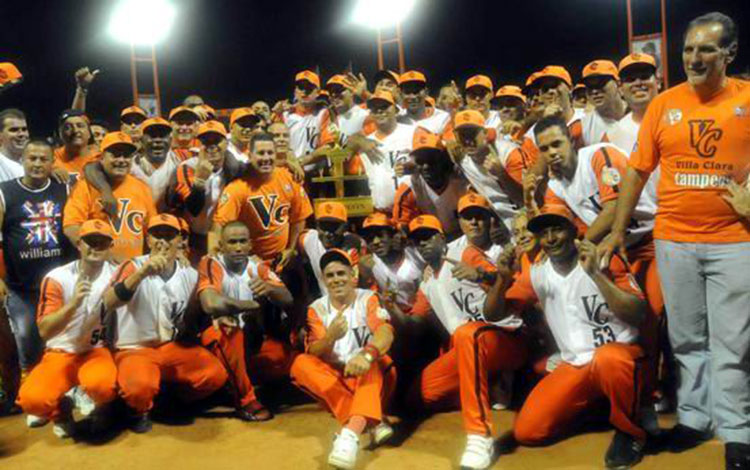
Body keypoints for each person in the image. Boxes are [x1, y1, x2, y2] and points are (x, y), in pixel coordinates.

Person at [599, 13, 750, 469]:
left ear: (729, 53)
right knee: (685, 338)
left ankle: (737, 432)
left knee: (732, 340)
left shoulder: (747, 99)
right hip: (674, 239)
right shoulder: (666, 105)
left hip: (734, 241)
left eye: (706, 49)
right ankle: (694, 418)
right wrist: (619, 228)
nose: (694, 58)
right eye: (688, 49)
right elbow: (637, 171)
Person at [484, 205, 647, 470]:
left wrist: (596, 274)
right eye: (543, 233)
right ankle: (598, 409)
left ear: (574, 231)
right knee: (528, 431)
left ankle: (631, 432)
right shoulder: (537, 274)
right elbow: (492, 313)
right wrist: (502, 281)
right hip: (575, 365)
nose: (550, 238)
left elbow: (638, 313)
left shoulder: (604, 259)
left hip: (620, 358)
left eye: (557, 229)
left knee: (610, 358)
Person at [386, 215, 524, 470]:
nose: (424, 243)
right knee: (420, 397)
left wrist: (479, 272)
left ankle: (479, 436)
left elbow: (509, 282)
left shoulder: (465, 253)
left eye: (428, 236)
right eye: (418, 241)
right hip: (468, 347)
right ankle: (489, 381)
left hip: (505, 337)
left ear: (441, 237)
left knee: (465, 335)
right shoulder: (426, 281)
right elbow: (414, 325)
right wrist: (391, 309)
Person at [103, 214, 228, 433]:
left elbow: (203, 308)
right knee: (139, 388)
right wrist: (142, 274)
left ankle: (167, 400)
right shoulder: (131, 266)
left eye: (169, 235)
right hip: (134, 350)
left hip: (171, 348)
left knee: (214, 374)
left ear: (180, 240)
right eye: (156, 235)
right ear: (148, 239)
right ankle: (137, 409)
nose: (162, 241)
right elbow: (108, 301)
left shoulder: (189, 273)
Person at [290, 248, 396, 470]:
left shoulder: (368, 298)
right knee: (300, 364)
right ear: (324, 280)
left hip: (372, 376)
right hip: (339, 378)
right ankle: (371, 422)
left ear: (352, 275)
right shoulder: (317, 309)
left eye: (341, 273)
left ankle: (349, 436)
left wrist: (367, 354)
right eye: (330, 275)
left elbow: (385, 332)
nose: (336, 279)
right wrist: (329, 337)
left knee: (375, 362)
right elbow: (314, 352)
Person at [17, 220, 119, 439]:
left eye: (102, 242)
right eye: (91, 241)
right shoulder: (57, 277)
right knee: (32, 400)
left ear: (111, 246)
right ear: (79, 244)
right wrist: (72, 304)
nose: (96, 247)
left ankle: (100, 407)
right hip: (60, 353)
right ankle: (61, 411)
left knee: (103, 385)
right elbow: (45, 331)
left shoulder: (118, 275)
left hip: (95, 352)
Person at [198, 221, 294, 422]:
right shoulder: (212, 263)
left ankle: (234, 383)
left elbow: (287, 298)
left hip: (250, 339)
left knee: (281, 359)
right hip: (216, 339)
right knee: (228, 329)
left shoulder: (257, 267)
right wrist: (248, 305)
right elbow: (210, 304)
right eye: (232, 242)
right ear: (221, 245)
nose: (238, 247)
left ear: (250, 245)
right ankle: (246, 400)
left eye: (242, 241)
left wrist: (269, 289)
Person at [0, 140, 74, 379]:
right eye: (32, 158)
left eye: (44, 159)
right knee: (29, 345)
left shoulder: (65, 189)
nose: (37, 164)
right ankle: (34, 398)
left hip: (60, 286)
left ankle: (67, 392)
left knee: (66, 343)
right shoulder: (4, 191)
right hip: (22, 288)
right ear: (22, 160)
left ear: (53, 162)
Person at [211, 132, 313, 268]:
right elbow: (219, 226)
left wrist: (291, 248)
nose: (266, 158)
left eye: (270, 153)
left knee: (312, 236)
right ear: (250, 156)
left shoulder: (289, 178)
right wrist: (235, 258)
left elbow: (299, 218)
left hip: (284, 259)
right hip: (250, 263)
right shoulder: (237, 188)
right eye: (261, 153)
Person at [64, 132, 157, 262]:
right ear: (101, 158)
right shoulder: (84, 187)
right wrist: (101, 254)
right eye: (115, 155)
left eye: (127, 156)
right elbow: (71, 227)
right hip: (97, 269)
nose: (121, 160)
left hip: (134, 270)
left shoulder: (142, 188)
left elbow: (152, 231)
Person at [171, 120, 243, 258]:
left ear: (227, 143)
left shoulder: (236, 168)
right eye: (206, 142)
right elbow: (194, 209)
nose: (212, 146)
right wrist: (199, 181)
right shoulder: (187, 167)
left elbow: (258, 167)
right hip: (196, 237)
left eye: (217, 140)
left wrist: (285, 156)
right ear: (199, 145)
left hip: (227, 237)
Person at [450, 110, 526, 230]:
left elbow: (523, 199)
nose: (468, 141)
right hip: (493, 224)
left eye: (472, 134)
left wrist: (502, 175)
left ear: (485, 133)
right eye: (463, 135)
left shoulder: (507, 152)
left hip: (522, 218)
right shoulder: (460, 158)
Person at [393, 132, 468, 239]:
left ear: (443, 158)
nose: (426, 166)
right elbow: (402, 229)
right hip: (434, 241)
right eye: (420, 161)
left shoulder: (462, 174)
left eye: (431, 159)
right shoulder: (409, 187)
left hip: (467, 236)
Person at [358, 90, 416, 213]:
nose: (379, 111)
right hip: (381, 214)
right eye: (374, 109)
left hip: (412, 211)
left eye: (384, 107)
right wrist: (357, 140)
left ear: (395, 109)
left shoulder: (413, 132)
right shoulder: (365, 143)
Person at [298, 201, 364, 296]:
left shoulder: (354, 245)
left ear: (345, 227)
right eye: (323, 227)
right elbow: (296, 248)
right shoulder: (309, 240)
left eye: (334, 227)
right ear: (316, 226)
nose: (328, 233)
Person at [277, 70, 335, 171]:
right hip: (289, 174)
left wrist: (300, 162)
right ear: (295, 91)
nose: (304, 91)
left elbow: (328, 146)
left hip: (315, 176)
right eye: (301, 87)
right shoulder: (285, 115)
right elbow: (274, 145)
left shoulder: (323, 114)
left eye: (309, 88)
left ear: (317, 92)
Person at [580, 60, 628, 146]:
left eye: (600, 83)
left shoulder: (636, 113)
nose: (595, 91)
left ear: (618, 84)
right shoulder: (584, 128)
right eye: (590, 87)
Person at [398, 70, 452, 135]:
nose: (412, 97)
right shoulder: (396, 120)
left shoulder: (442, 118)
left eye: (416, 91)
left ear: (426, 92)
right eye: (407, 92)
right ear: (401, 95)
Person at [54, 109, 98, 186]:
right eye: (68, 127)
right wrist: (47, 172)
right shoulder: (50, 158)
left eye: (80, 126)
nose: (75, 130)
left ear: (89, 133)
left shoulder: (101, 159)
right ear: (60, 134)